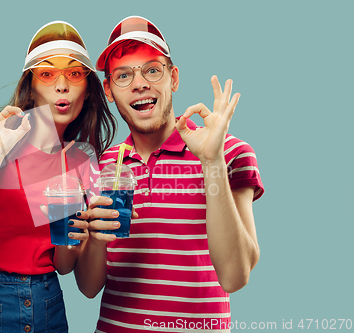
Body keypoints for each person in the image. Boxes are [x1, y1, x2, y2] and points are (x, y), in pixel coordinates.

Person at [75, 16, 264, 332]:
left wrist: (213, 162)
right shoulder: (104, 165)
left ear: (173, 78)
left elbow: (235, 276)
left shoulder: (230, 152)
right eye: (123, 76)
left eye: (152, 70)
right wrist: (97, 238)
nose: (139, 84)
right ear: (108, 90)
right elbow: (88, 288)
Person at [0, 21, 117, 333]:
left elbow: (64, 266)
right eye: (48, 74)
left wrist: (80, 231)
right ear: (31, 85)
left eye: (74, 74)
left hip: (47, 301)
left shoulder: (79, 160)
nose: (61, 85)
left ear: (88, 90)